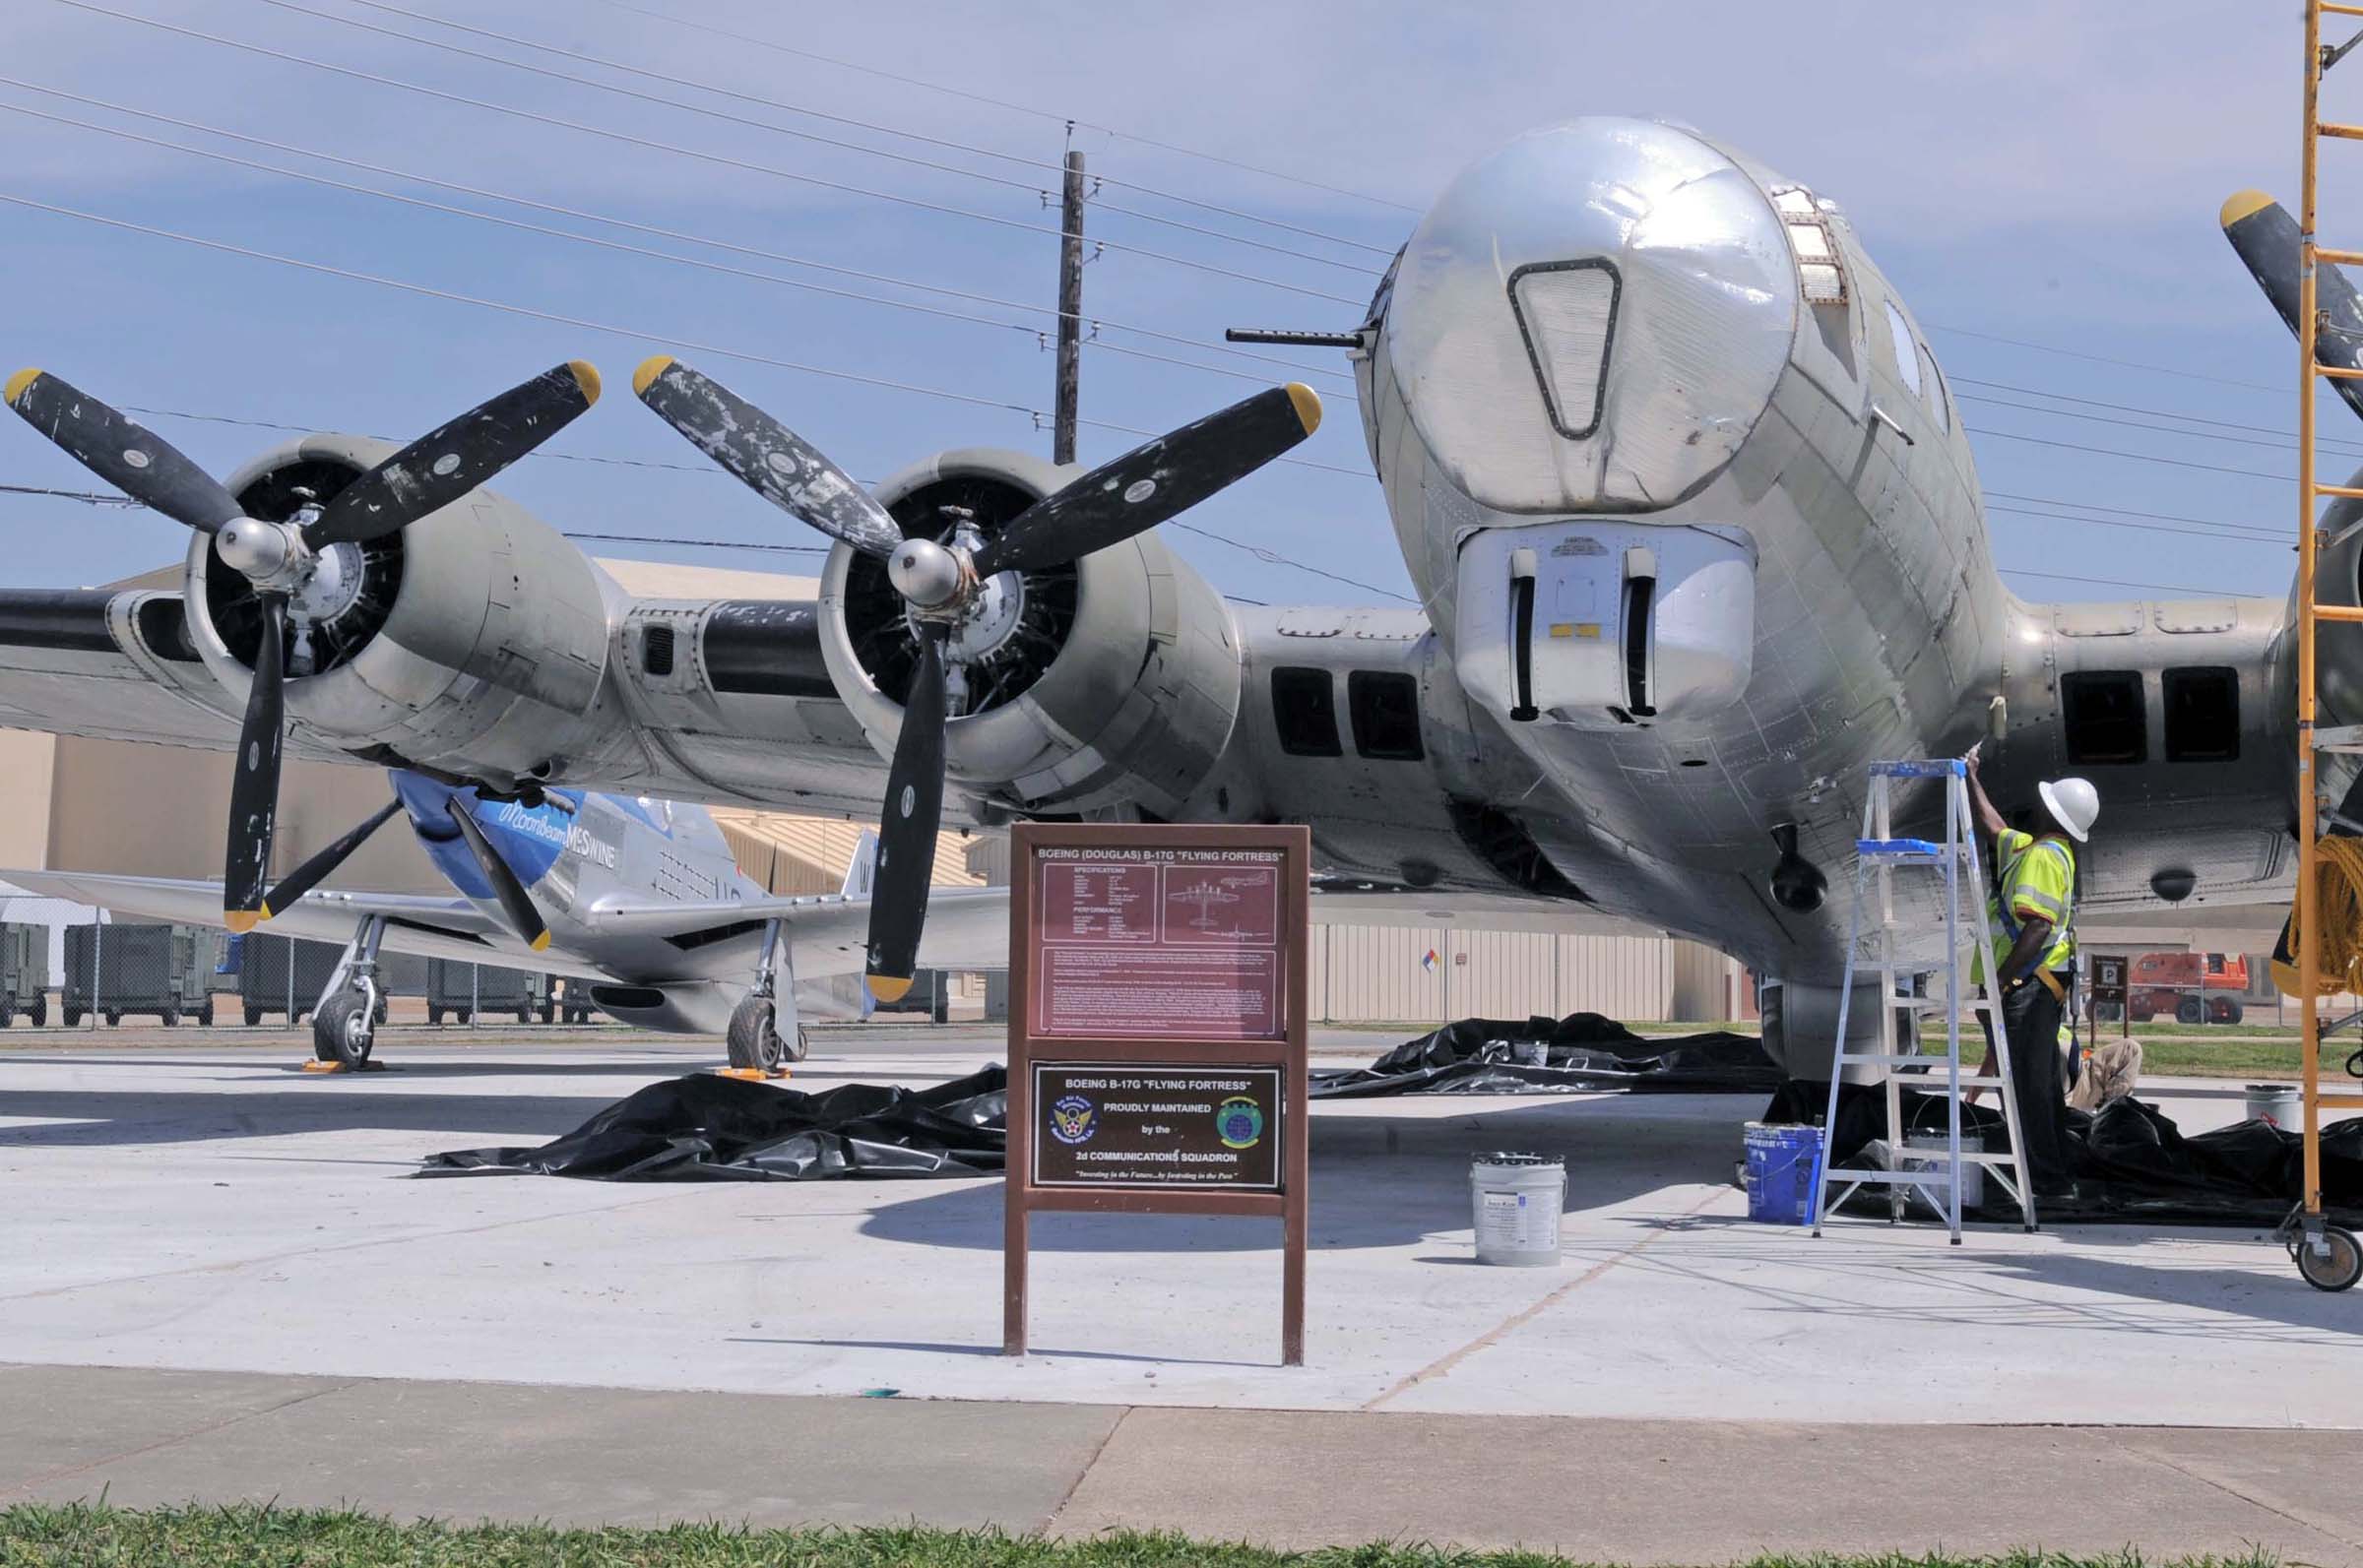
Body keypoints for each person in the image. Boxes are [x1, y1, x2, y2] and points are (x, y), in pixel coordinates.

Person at [1962, 749, 2097, 1199]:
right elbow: (1995, 827)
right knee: (2034, 1084)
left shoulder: (2042, 857)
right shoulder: (2039, 851)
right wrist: (1971, 778)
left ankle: (2045, 1181)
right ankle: (2050, 1172)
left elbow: (2037, 925)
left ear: (2052, 812)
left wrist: (2002, 980)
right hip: (2039, 987)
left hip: (2027, 988)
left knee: (2026, 1087)